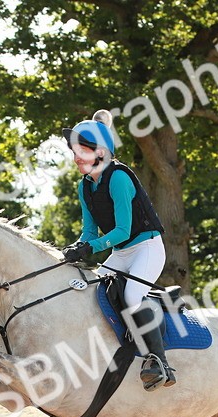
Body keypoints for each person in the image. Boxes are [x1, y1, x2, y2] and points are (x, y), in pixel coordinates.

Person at [61, 110, 175, 391]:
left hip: (146, 247)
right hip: (122, 253)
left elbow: (123, 230)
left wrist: (92, 247)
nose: (76, 157)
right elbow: (90, 230)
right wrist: (79, 246)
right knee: (93, 293)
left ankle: (159, 362)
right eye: (74, 151)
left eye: (81, 151)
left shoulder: (119, 178)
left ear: (100, 152)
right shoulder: (84, 186)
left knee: (132, 295)